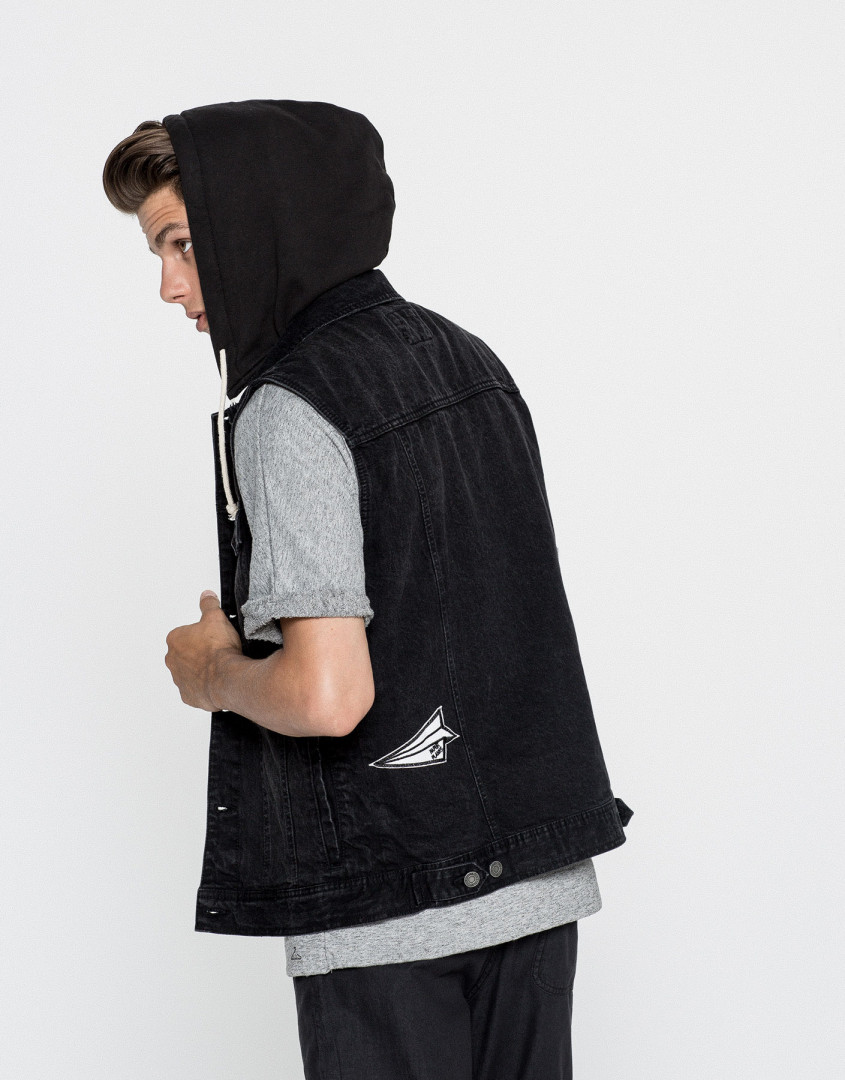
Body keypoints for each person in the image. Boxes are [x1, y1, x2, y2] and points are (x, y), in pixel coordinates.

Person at [103, 98, 633, 1080]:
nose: (170, 287)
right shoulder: (468, 357)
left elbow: (327, 695)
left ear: (257, 223)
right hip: (535, 878)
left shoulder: (289, 407)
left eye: (182, 245)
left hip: (390, 905)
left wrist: (215, 672)